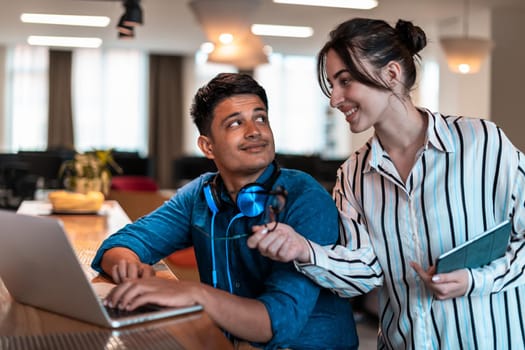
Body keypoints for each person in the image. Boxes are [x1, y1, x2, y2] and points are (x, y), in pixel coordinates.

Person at [247, 17, 525, 349]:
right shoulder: (353, 174)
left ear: (391, 74)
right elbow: (364, 272)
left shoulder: (481, 142)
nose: (335, 99)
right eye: (332, 85)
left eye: (345, 81)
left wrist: (474, 280)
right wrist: (304, 250)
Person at [91, 73, 358, 350]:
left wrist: (194, 293)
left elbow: (277, 322)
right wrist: (129, 267)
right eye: (235, 123)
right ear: (207, 146)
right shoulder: (201, 194)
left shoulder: (306, 197)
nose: (255, 131)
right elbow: (120, 244)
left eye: (260, 118)